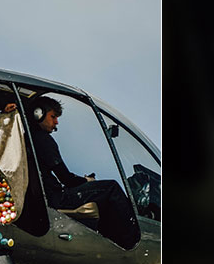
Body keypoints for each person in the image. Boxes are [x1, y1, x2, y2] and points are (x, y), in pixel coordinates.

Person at [28, 96, 141, 250]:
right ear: (38, 114)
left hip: (46, 196)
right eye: (53, 117)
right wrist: (87, 181)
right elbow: (66, 178)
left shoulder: (28, 137)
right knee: (111, 188)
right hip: (56, 198)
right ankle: (129, 240)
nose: (56, 122)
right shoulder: (42, 139)